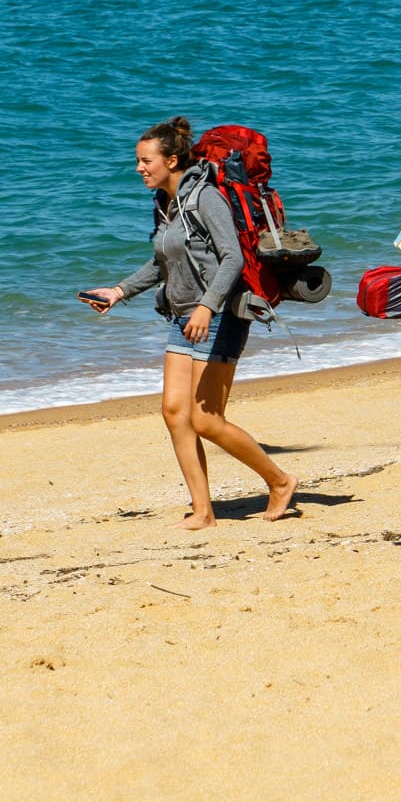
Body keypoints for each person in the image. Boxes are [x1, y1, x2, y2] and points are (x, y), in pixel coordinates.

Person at [80, 116, 298, 529]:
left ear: (173, 160)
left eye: (146, 161)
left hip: (218, 317)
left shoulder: (205, 198)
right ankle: (203, 511)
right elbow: (164, 260)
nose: (139, 168)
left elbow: (232, 257)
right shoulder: (168, 204)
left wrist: (207, 306)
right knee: (174, 412)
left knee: (205, 418)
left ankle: (281, 480)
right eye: (138, 161)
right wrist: (120, 291)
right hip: (182, 316)